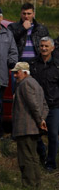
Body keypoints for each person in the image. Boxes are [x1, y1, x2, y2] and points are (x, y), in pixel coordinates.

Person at [11, 61, 48, 188]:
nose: (15, 75)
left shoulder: (25, 84)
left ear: (25, 73)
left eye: (17, 73)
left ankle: (29, 185)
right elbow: (44, 106)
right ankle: (36, 183)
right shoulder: (36, 84)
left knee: (26, 158)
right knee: (33, 157)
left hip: (25, 128)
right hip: (34, 128)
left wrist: (39, 120)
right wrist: (42, 120)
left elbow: (33, 105)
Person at [30, 37, 59, 171]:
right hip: (37, 106)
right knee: (35, 135)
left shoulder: (57, 66)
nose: (44, 48)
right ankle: (42, 154)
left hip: (54, 106)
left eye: (47, 46)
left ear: (52, 48)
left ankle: (51, 163)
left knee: (53, 135)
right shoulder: (33, 64)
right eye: (42, 46)